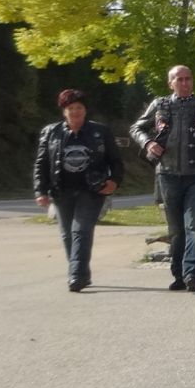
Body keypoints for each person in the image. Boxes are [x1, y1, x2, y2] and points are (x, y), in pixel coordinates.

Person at [132, 64, 195, 292]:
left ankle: (192, 272)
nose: (185, 83)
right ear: (170, 83)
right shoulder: (160, 105)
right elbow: (136, 128)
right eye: (179, 79)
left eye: (188, 78)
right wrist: (148, 142)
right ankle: (178, 275)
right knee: (176, 229)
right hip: (168, 175)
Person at [33, 89, 124, 292]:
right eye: (71, 108)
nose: (75, 112)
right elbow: (41, 163)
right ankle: (81, 272)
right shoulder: (51, 132)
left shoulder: (100, 132)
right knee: (67, 234)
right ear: (64, 111)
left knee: (81, 230)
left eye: (79, 107)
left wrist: (114, 181)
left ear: (85, 110)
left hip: (91, 190)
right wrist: (41, 191)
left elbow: (116, 161)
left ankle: (76, 276)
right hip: (61, 190)